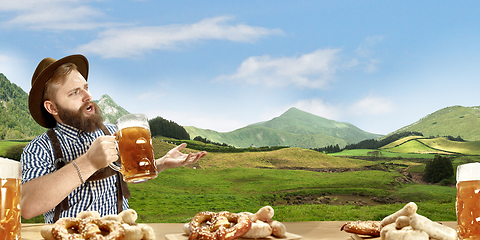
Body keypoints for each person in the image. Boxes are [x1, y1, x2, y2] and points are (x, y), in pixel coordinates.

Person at [21, 54, 207, 223]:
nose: (88, 96)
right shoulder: (39, 148)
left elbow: (133, 171)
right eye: (74, 93)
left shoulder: (114, 132)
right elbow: (27, 206)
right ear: (52, 108)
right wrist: (89, 162)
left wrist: (161, 163)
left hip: (119, 234)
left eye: (86, 88)